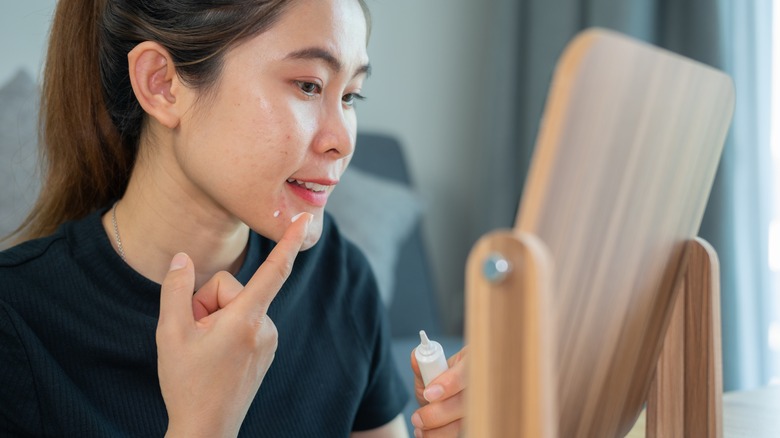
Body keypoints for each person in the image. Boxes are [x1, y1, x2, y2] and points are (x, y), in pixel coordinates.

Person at [0, 0, 467, 436]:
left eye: (350, 96)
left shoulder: (339, 279)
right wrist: (203, 424)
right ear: (162, 84)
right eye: (309, 85)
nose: (342, 140)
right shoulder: (16, 324)